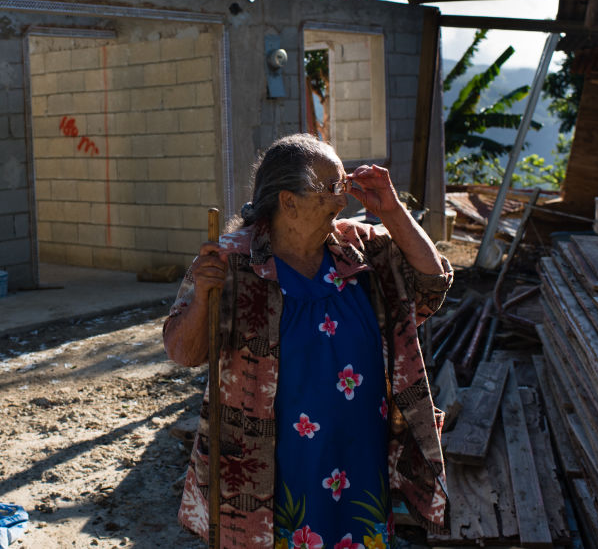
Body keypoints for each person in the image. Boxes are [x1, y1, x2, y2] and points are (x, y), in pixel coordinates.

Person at [163, 133, 453, 549]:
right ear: (288, 202)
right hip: (273, 473)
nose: (343, 201)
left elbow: (432, 284)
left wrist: (392, 210)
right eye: (332, 189)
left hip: (360, 459)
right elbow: (183, 352)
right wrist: (203, 302)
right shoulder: (232, 263)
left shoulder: (360, 248)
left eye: (344, 186)